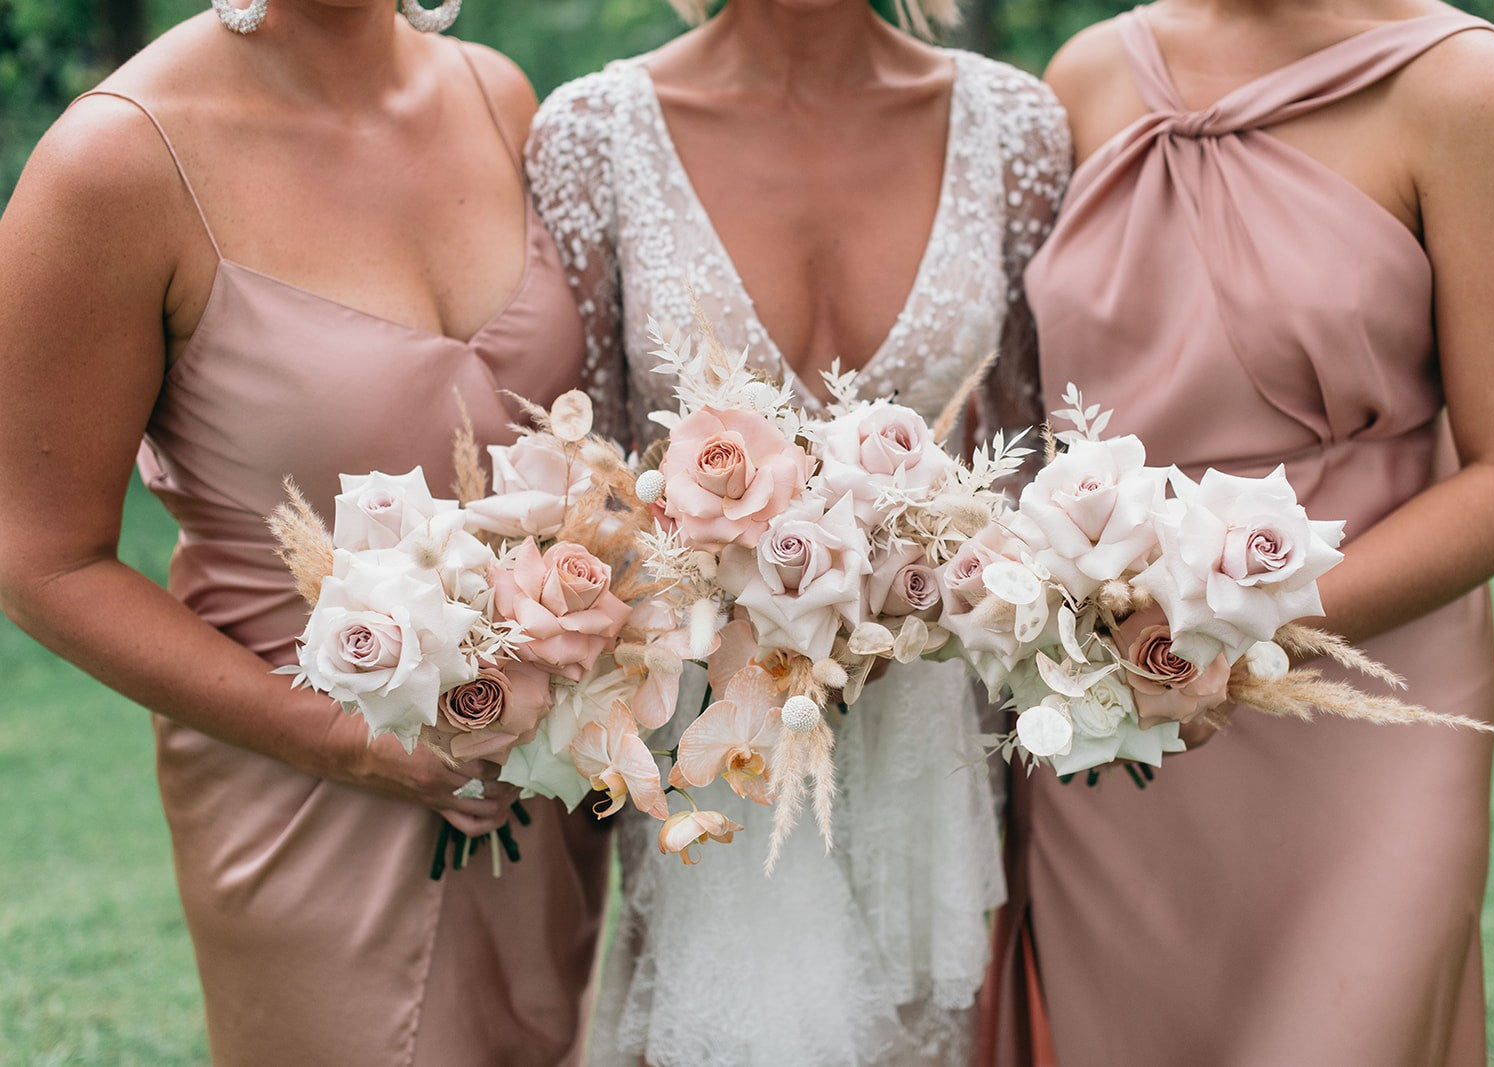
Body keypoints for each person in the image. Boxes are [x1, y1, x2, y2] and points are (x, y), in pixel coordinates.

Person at [0, 3, 610, 1063]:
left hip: (544, 778)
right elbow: (37, 555)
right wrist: (351, 743)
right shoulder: (118, 162)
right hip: (308, 790)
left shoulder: (494, 92)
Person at [984, 0, 1494, 1062]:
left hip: (1361, 686)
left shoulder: (1459, 87)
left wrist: (1229, 623)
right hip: (1115, 713)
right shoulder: (1085, 76)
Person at [529, 0, 1070, 1062]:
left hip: (941, 731)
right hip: (712, 739)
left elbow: (1031, 452)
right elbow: (579, 473)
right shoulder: (592, 134)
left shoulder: (1017, 128)